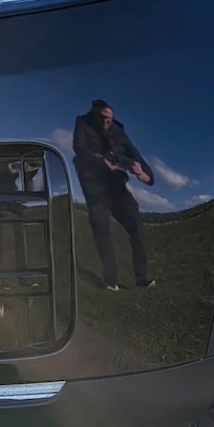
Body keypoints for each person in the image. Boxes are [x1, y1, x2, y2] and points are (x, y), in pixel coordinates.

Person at [72, 100, 156, 290]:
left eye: (109, 119)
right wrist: (100, 160)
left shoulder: (118, 130)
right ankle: (111, 279)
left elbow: (137, 156)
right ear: (94, 114)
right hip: (95, 187)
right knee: (102, 228)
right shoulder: (83, 123)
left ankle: (141, 278)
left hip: (117, 187)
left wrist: (143, 174)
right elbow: (79, 148)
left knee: (136, 226)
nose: (105, 122)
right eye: (102, 118)